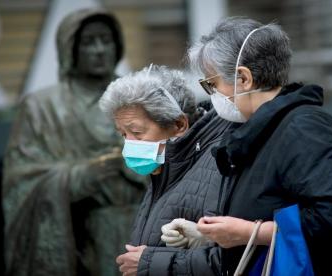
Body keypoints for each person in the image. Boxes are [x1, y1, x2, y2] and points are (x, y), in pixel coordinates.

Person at [166, 17, 332, 275]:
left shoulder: (304, 129)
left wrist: (251, 233)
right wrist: (213, 235)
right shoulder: (261, 132)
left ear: (244, 78)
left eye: (212, 84)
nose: (211, 94)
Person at [2, 9, 146, 276]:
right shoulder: (42, 106)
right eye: (89, 42)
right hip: (81, 238)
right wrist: (79, 176)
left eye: (107, 39)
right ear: (70, 48)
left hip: (144, 229)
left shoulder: (143, 97)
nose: (100, 49)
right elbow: (20, 181)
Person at [99, 65, 236, 276]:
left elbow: (230, 261)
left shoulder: (219, 162)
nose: (129, 144)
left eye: (136, 132)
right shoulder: (164, 168)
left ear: (179, 124)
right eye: (124, 134)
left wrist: (148, 263)